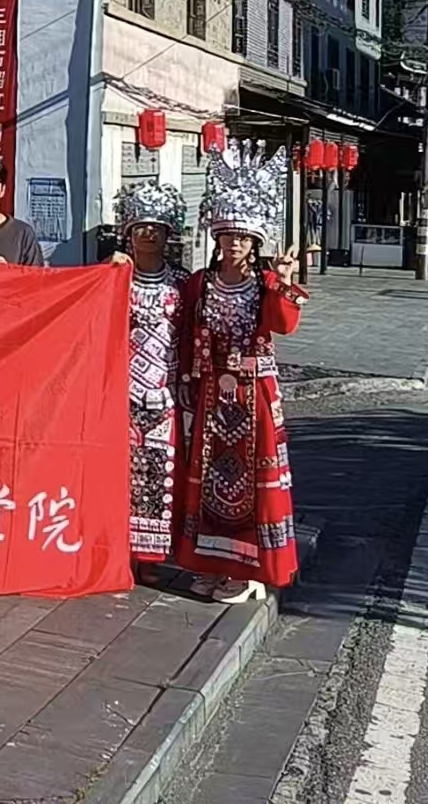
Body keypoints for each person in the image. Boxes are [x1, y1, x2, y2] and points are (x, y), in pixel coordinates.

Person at [172, 152, 307, 602]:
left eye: (243, 238)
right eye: (228, 235)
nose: (234, 244)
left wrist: (284, 280)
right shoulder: (200, 283)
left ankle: (250, 571)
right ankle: (212, 562)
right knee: (209, 480)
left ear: (254, 242)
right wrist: (187, 384)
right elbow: (187, 333)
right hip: (212, 394)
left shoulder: (265, 283)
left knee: (252, 482)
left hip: (254, 394)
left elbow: (284, 324)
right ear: (217, 237)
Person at [109, 182, 188, 579]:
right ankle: (118, 550)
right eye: (140, 227)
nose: (148, 234)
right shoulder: (114, 277)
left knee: (158, 474)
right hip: (119, 391)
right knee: (118, 474)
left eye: (156, 228)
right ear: (128, 232)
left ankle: (151, 557)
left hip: (163, 394)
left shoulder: (183, 283)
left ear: (167, 233)